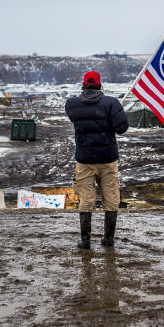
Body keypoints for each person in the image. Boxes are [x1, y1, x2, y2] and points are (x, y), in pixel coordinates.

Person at [65, 71, 128, 249]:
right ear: (100, 85)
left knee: (86, 199)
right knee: (111, 197)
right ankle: (108, 239)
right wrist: (114, 113)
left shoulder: (72, 105)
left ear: (83, 85)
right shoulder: (111, 103)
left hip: (85, 160)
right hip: (108, 159)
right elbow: (122, 128)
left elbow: (74, 117)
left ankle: (85, 240)